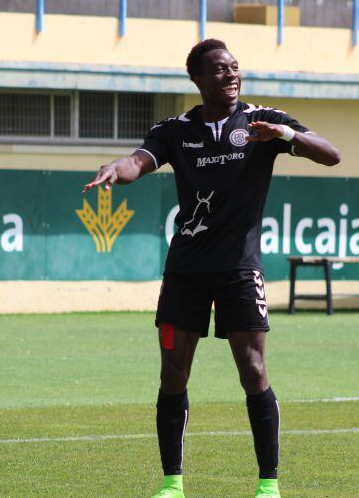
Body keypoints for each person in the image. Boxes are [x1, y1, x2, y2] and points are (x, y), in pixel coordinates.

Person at [83, 39, 340, 498]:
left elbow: (330, 153)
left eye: (235, 68)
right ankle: (172, 484)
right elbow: (138, 161)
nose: (231, 76)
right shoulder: (175, 130)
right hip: (186, 270)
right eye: (220, 70)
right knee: (173, 372)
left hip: (239, 268)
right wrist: (114, 168)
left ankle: (268, 485)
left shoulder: (263, 121)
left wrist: (284, 137)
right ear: (198, 80)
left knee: (253, 369)